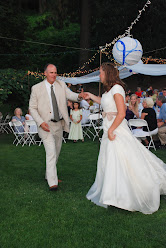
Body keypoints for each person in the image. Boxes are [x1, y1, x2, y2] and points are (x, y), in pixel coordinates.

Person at [85, 62, 166, 214]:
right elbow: (104, 103)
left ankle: (129, 192)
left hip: (116, 128)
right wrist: (90, 96)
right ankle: (113, 193)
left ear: (107, 73)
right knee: (111, 160)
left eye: (101, 72)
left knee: (125, 158)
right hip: (109, 127)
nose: (99, 75)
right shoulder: (109, 91)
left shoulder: (117, 89)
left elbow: (121, 113)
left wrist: (112, 130)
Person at [29, 64, 84, 191]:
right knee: (51, 152)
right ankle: (52, 182)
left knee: (57, 151)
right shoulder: (36, 88)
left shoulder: (61, 85)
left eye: (55, 72)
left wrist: (80, 96)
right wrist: (41, 122)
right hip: (45, 125)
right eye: (51, 72)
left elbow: (71, 95)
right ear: (45, 73)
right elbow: (32, 107)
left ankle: (49, 175)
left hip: (59, 124)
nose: (54, 75)